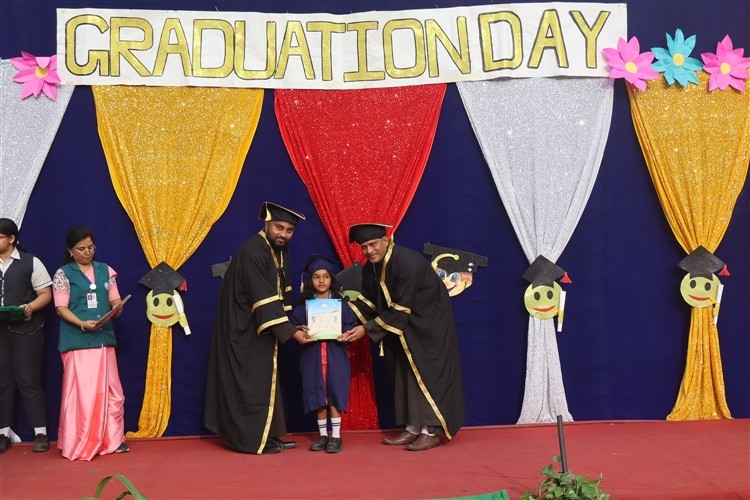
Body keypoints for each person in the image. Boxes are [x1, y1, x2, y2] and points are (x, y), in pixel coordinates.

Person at [341, 223, 465, 451]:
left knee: (427, 374)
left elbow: (400, 307)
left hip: (427, 324)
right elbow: (368, 304)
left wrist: (366, 330)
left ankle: (431, 431)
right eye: (364, 247)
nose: (369, 251)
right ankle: (413, 428)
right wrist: (340, 320)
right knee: (404, 373)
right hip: (402, 326)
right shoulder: (370, 269)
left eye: (373, 244)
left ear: (386, 240)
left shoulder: (406, 261)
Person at [204, 202, 315, 455]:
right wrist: (292, 333)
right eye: (279, 227)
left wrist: (290, 325)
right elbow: (262, 297)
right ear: (267, 224)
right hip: (243, 327)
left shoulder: (280, 251)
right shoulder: (253, 250)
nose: (283, 234)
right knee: (250, 383)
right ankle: (250, 441)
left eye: (289, 230)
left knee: (267, 380)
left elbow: (281, 296)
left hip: (263, 324)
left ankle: (267, 436)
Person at [52, 226, 128, 460]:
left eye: (90, 247)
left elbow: (115, 301)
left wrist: (117, 308)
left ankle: (113, 439)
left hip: (104, 340)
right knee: (84, 395)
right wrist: (82, 323)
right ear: (70, 251)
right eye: (80, 249)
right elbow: (61, 308)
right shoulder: (63, 274)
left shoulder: (106, 270)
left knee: (112, 392)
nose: (87, 252)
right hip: (78, 342)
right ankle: (80, 441)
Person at [290, 255, 356, 453]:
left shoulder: (340, 304)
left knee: (334, 391)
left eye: (325, 276)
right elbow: (294, 326)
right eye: (316, 277)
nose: (321, 281)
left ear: (331, 279)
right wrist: (299, 329)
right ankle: (322, 436)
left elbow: (350, 325)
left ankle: (335, 436)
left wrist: (346, 334)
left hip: (335, 354)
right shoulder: (304, 306)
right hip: (312, 356)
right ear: (310, 280)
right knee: (316, 392)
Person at [0, 218, 52, 454]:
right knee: (3, 381)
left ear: (11, 239)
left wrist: (29, 307)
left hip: (26, 329)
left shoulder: (31, 262)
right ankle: (3, 433)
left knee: (28, 379)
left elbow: (45, 294)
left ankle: (40, 433)